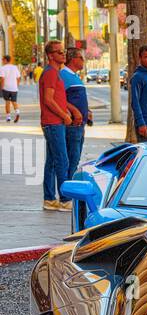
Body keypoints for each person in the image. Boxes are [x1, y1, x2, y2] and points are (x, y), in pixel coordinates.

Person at [39, 40, 80, 211]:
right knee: (62, 160)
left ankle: (49, 199)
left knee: (52, 162)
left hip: (54, 122)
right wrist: (64, 115)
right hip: (53, 123)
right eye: (59, 52)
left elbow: (57, 99)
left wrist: (69, 111)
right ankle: (64, 199)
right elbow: (48, 100)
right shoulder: (50, 73)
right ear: (50, 56)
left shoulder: (56, 73)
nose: (63, 54)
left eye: (63, 52)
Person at [60, 47, 93, 177]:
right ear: (73, 59)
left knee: (76, 158)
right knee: (72, 160)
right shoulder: (63, 75)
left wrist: (87, 112)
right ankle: (68, 189)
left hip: (80, 125)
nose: (83, 61)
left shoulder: (75, 76)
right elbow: (59, 99)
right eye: (81, 58)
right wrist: (75, 111)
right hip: (72, 125)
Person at [1, 54, 21, 122]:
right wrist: (16, 85)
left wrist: (1, 88)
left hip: (6, 88)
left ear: (6, 60)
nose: (2, 61)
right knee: (14, 101)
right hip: (14, 88)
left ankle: (8, 117)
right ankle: (17, 112)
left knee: (7, 102)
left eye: (3, 59)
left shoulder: (3, 68)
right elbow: (18, 78)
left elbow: (2, 79)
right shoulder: (15, 67)